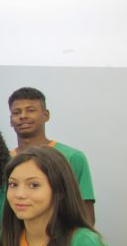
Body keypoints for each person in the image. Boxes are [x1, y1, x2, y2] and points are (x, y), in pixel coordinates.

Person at [8, 87, 95, 225]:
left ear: (46, 115)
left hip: (61, 236)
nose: (23, 116)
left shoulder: (72, 157)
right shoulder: (3, 160)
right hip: (15, 237)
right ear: (11, 120)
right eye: (16, 112)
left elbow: (86, 216)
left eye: (31, 110)